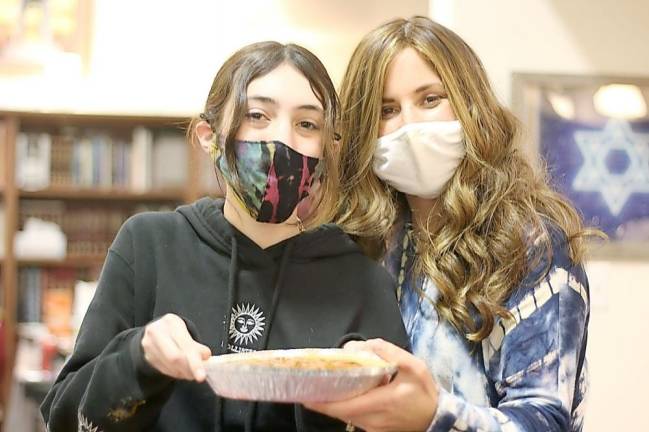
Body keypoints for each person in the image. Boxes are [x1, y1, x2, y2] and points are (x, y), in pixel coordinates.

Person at [40, 41, 408, 432]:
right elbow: (65, 419)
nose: (281, 140)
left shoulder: (361, 279)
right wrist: (138, 357)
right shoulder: (148, 245)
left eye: (307, 124)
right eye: (257, 115)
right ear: (209, 136)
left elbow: (404, 415)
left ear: (329, 147)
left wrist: (352, 394)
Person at [306, 16, 598, 432]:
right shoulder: (371, 241)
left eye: (429, 100)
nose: (409, 126)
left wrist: (432, 415)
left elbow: (544, 419)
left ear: (468, 103)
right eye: (386, 110)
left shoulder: (529, 244)